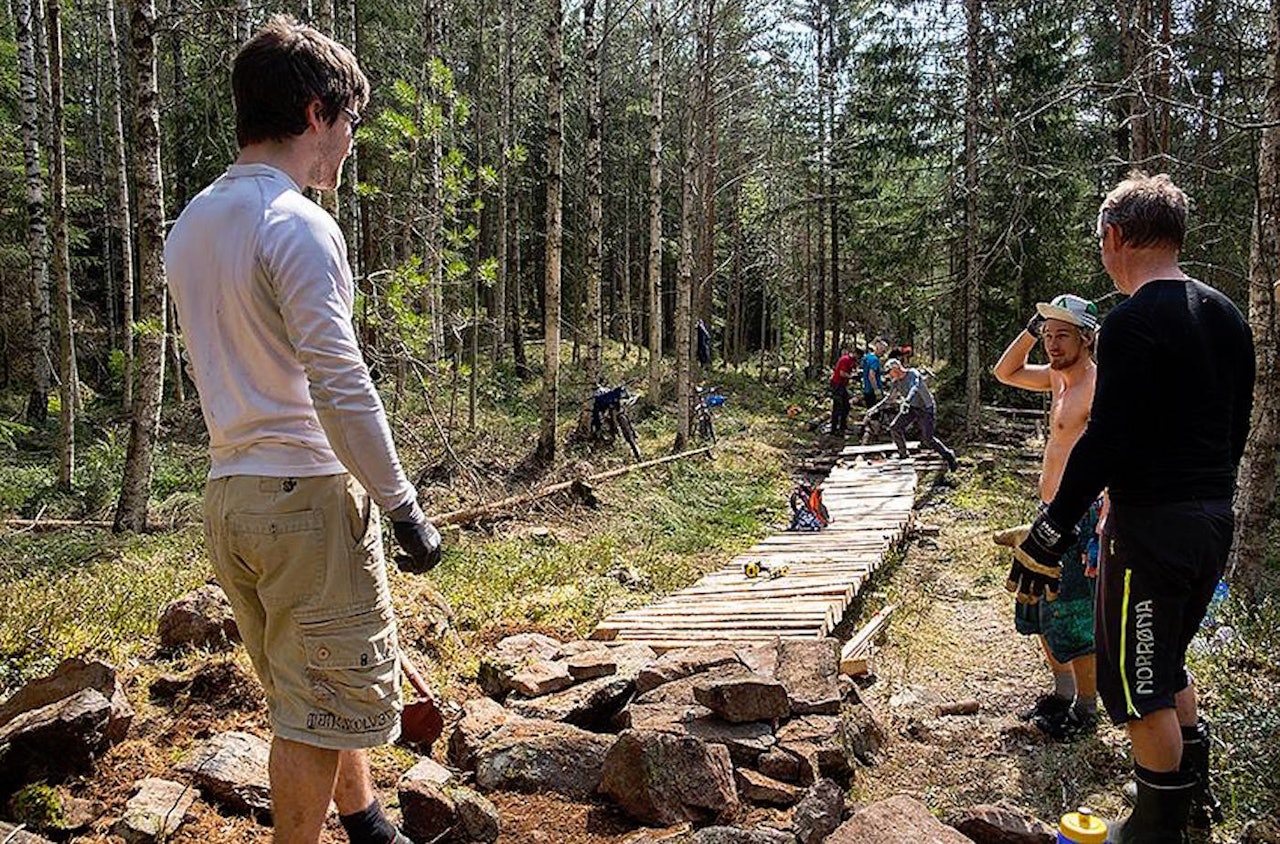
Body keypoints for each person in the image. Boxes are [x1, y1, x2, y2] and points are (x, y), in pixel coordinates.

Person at [165, 17, 441, 844]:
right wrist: (403, 506)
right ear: (318, 113)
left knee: (306, 691)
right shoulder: (296, 222)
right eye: (350, 123)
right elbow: (339, 381)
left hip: (229, 497)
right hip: (307, 501)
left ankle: (367, 826)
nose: (351, 146)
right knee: (318, 712)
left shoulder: (192, 223)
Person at [1008, 173, 1253, 842]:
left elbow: (1107, 439)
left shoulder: (1133, 321)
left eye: (1101, 241)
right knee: (1167, 662)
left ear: (1114, 238)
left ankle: (1153, 829)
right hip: (1211, 519)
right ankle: (1190, 807)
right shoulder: (1226, 313)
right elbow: (1236, 429)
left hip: (1152, 529)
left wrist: (1051, 529)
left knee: (1137, 685)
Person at [992, 293, 1102, 741]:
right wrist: (1033, 327)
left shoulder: (1101, 384)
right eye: (1048, 336)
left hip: (1081, 515)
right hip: (1045, 512)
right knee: (1036, 603)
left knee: (1074, 614)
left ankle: (1087, 707)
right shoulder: (1056, 379)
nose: (1052, 345)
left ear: (1087, 339)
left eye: (1063, 336)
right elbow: (1004, 372)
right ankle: (1061, 693)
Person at [883, 358, 958, 471]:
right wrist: (875, 408)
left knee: (928, 439)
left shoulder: (912, 373)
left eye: (890, 372)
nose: (889, 375)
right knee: (895, 427)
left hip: (926, 408)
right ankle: (903, 454)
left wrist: (907, 400)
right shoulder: (896, 382)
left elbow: (915, 387)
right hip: (912, 408)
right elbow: (890, 398)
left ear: (896, 368)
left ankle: (948, 455)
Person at [829, 345, 857, 435]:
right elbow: (842, 373)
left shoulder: (851, 361)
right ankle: (834, 429)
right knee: (838, 406)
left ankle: (842, 427)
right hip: (837, 384)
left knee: (846, 406)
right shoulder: (845, 359)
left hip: (842, 385)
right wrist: (851, 376)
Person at [860, 340, 885, 408]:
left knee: (869, 410)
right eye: (882, 351)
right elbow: (871, 375)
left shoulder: (867, 357)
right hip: (872, 391)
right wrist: (876, 390)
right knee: (874, 412)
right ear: (877, 349)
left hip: (866, 388)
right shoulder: (875, 360)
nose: (883, 354)